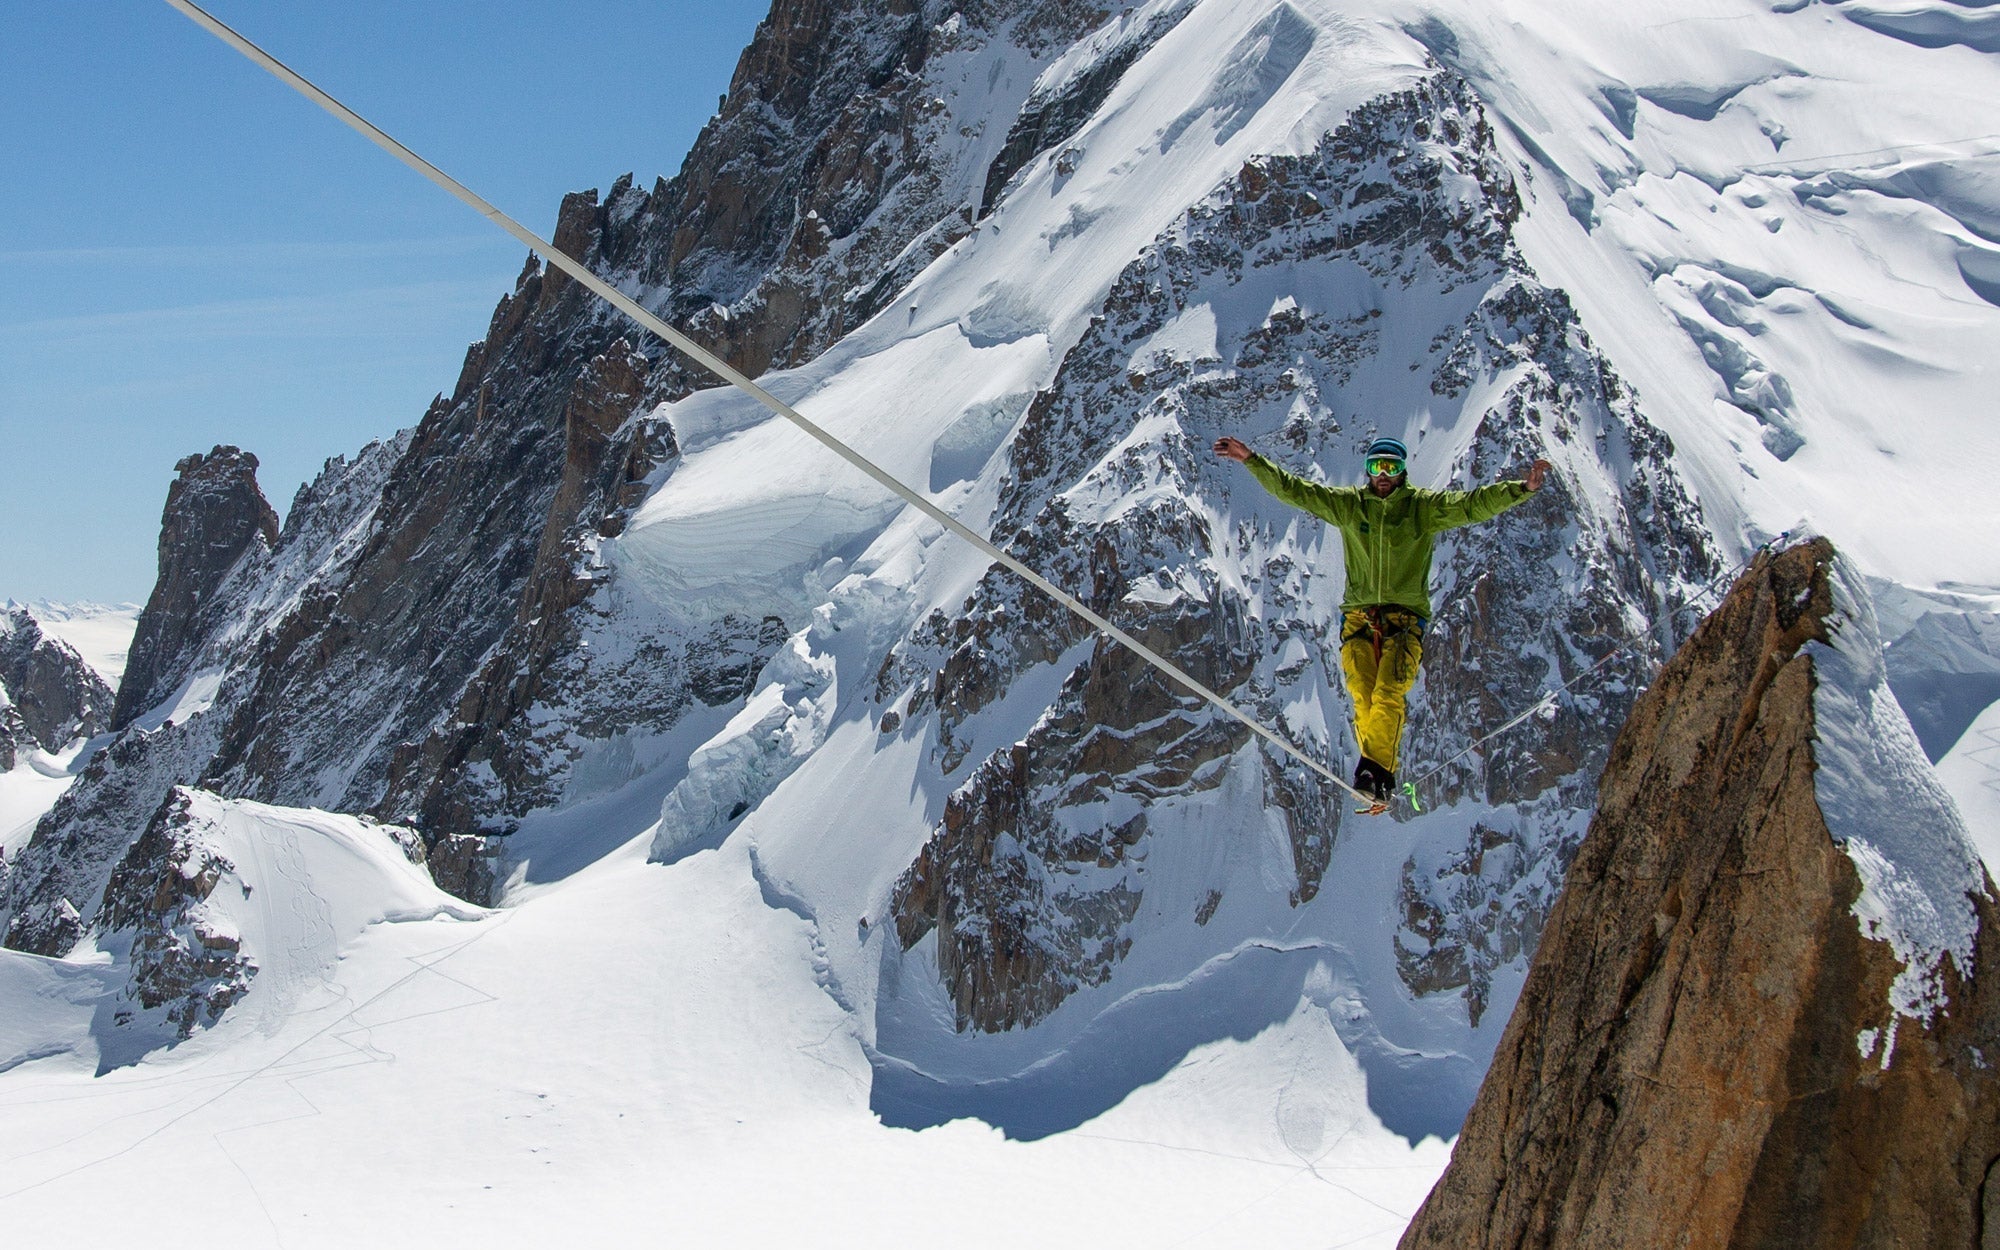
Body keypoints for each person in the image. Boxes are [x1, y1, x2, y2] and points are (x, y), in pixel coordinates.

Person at [1212, 434, 1550, 809]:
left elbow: (1472, 505)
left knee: (1388, 694)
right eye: (1377, 466)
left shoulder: (1422, 508)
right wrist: (1252, 460)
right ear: (1368, 471)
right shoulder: (1351, 507)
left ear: (1402, 470)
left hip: (1405, 623)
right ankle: (1379, 777)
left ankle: (1373, 774)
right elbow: (1297, 491)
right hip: (1358, 620)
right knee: (1362, 698)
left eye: (1391, 466)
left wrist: (1522, 489)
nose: (1384, 474)